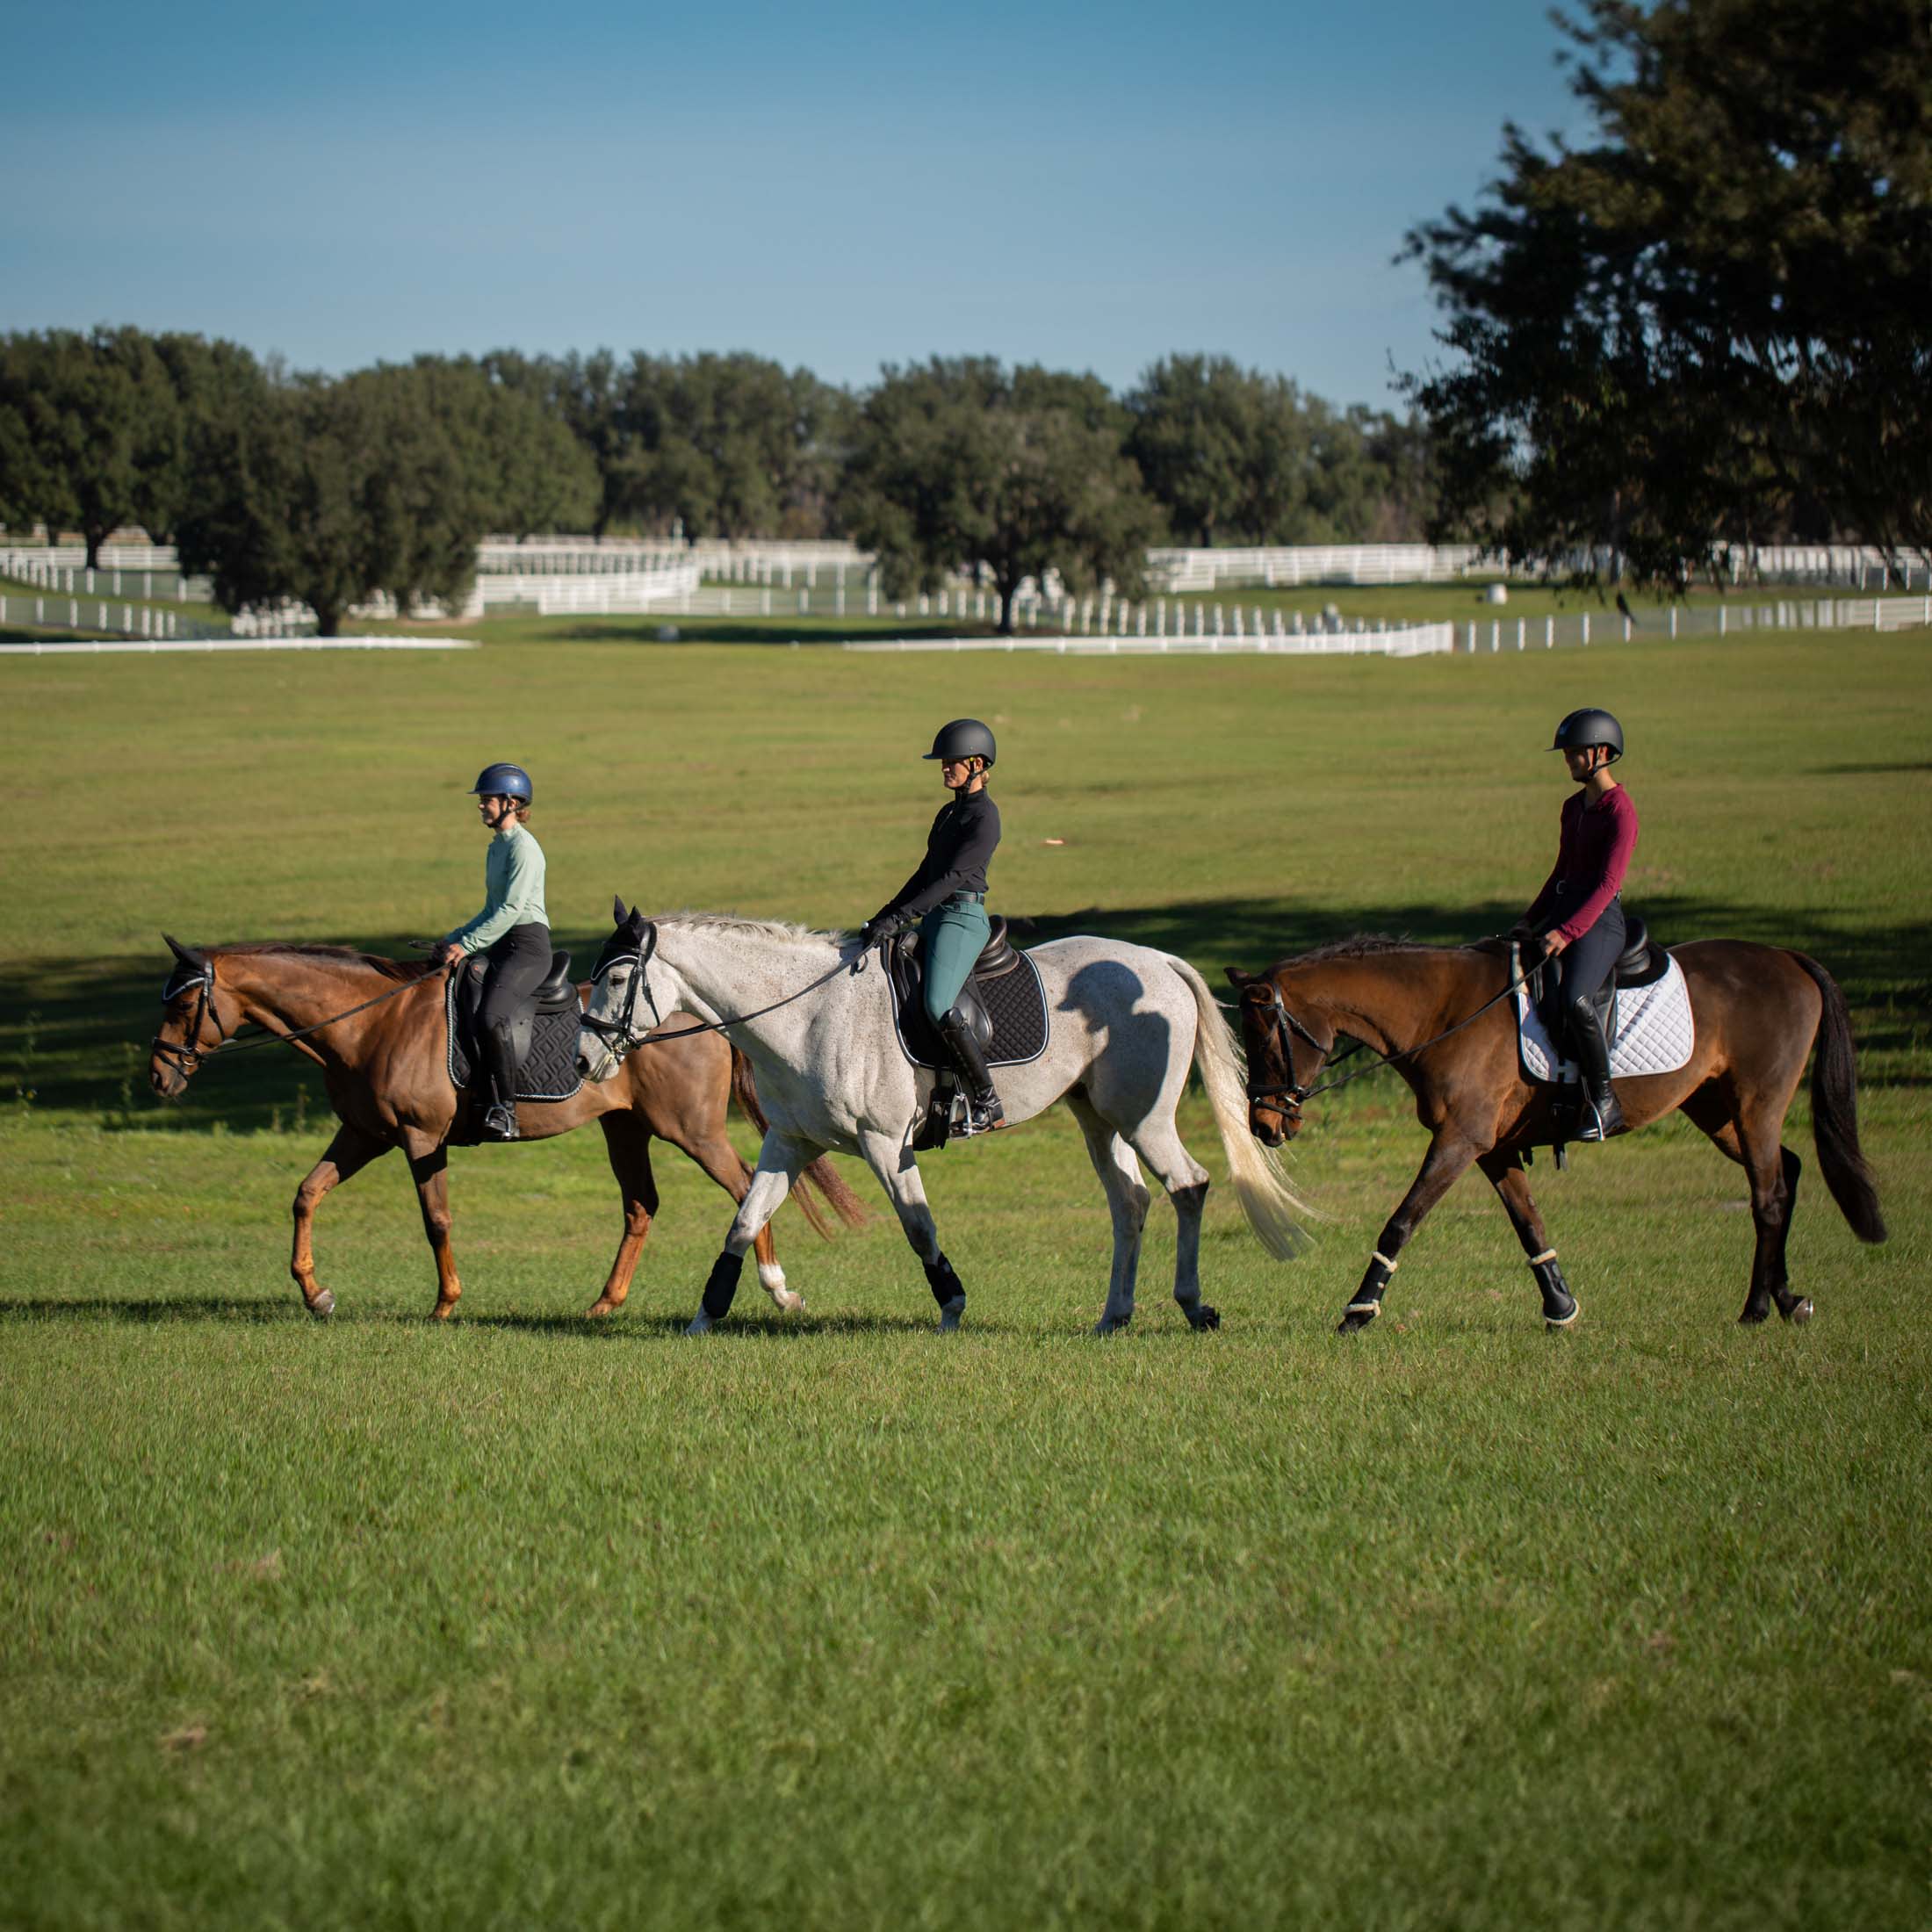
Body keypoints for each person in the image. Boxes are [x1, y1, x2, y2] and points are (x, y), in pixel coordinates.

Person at [860, 718, 1005, 1135]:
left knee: (940, 1003)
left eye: (951, 762)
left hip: (962, 917)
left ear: (976, 763)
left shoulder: (985, 818)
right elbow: (925, 873)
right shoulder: (947, 814)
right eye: (943, 763)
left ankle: (987, 1100)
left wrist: (904, 917)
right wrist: (884, 914)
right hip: (937, 912)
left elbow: (951, 880)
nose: (944, 768)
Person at [1518, 708, 1640, 1142]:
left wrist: (1567, 932)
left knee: (1575, 998)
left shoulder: (1620, 811)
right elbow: (1561, 872)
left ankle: (1605, 1101)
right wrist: (1529, 921)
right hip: (1564, 911)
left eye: (1575, 754)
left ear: (1602, 753)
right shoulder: (1572, 808)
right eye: (1567, 754)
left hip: (1600, 923)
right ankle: (1561, 1090)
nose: (1569, 761)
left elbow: (1609, 882)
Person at [432, 762, 549, 1141]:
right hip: (502, 941)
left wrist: (467, 945)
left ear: (512, 802)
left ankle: (506, 1109)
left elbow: (512, 910)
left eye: (487, 800)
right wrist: (454, 938)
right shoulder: (497, 848)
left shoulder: (524, 849)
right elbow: (490, 909)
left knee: (490, 1016)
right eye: (481, 801)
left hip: (528, 948)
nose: (481, 806)